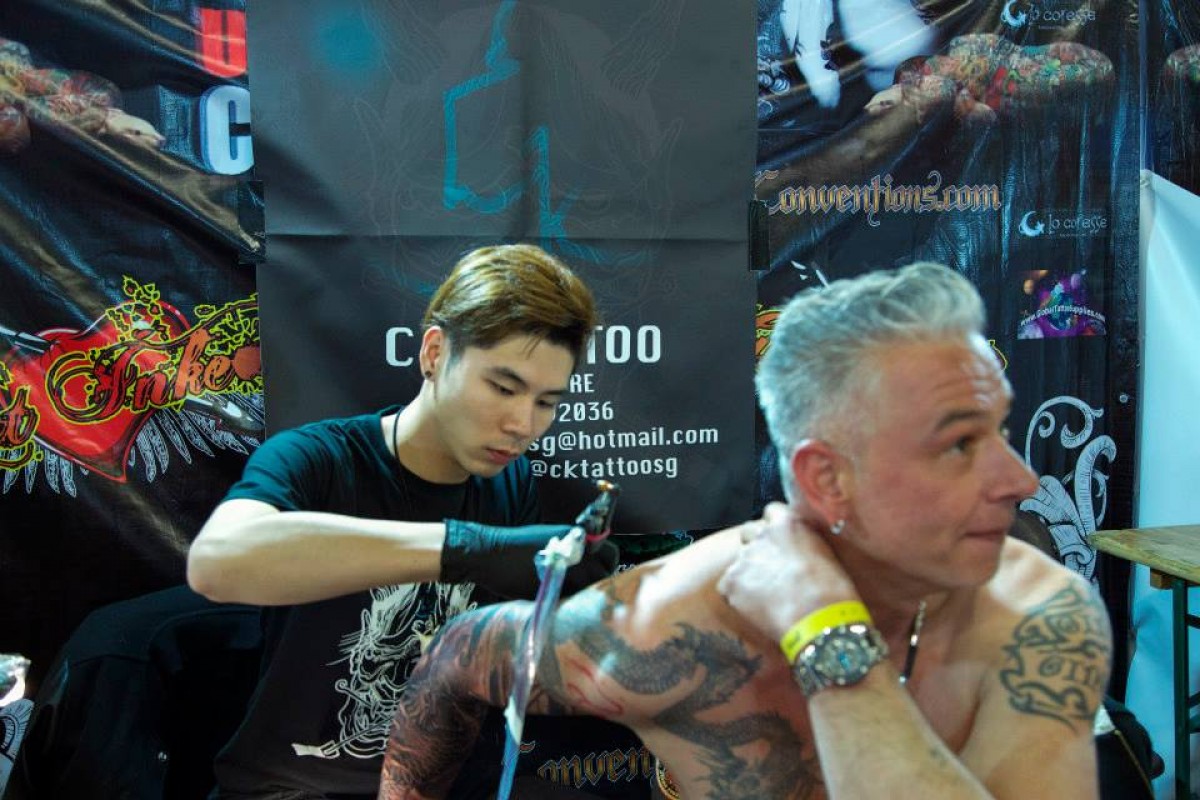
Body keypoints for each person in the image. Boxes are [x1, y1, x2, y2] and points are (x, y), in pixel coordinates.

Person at [378, 262, 1113, 799]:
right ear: (828, 479)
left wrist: (823, 626)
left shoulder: (1036, 612)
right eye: (958, 444)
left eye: (1001, 431)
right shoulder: (676, 621)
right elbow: (458, 656)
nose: (1022, 480)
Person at [186, 243, 621, 799]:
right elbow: (216, 563)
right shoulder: (319, 460)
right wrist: (466, 548)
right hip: (286, 787)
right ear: (435, 353)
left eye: (546, 402)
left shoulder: (509, 482)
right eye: (503, 387)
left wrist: (568, 611)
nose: (522, 424)